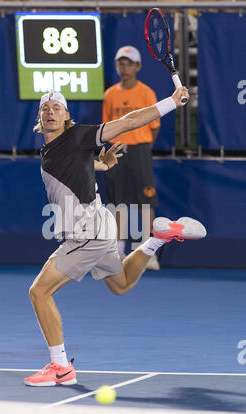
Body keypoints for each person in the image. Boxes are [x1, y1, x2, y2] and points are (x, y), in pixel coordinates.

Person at [24, 87, 206, 387]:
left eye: (57, 108)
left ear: (67, 116)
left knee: (39, 292)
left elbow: (128, 122)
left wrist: (171, 102)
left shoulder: (78, 136)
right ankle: (158, 238)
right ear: (39, 118)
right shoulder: (55, 150)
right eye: (46, 108)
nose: (51, 112)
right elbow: (79, 166)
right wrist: (104, 164)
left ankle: (61, 368)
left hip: (86, 233)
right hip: (100, 227)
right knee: (120, 284)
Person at [103, 46, 161, 270]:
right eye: (121, 63)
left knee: (145, 203)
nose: (124, 68)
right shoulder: (110, 95)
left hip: (140, 151)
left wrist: (142, 147)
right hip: (116, 151)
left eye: (129, 63)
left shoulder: (146, 93)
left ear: (138, 67)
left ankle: (148, 253)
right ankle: (118, 252)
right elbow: (107, 128)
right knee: (118, 203)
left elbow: (154, 127)